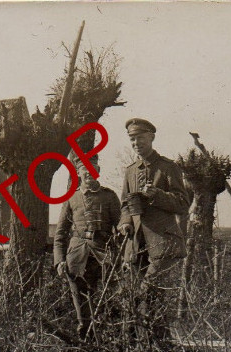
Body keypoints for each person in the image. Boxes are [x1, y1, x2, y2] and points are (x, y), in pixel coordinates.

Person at [118, 118, 192, 288]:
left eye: (140, 138)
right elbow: (125, 205)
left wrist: (156, 195)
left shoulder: (168, 167)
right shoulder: (130, 171)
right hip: (136, 243)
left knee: (147, 290)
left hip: (163, 243)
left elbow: (183, 204)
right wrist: (125, 223)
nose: (136, 143)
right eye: (132, 139)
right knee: (137, 296)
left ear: (151, 138)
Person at [53, 157, 122, 340]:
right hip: (77, 253)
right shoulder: (71, 198)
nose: (89, 173)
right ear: (78, 172)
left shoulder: (109, 196)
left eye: (93, 169)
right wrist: (59, 260)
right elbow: (60, 233)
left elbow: (121, 227)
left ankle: (107, 334)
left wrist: (121, 256)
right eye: (85, 170)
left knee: (106, 295)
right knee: (79, 294)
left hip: (102, 252)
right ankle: (84, 333)